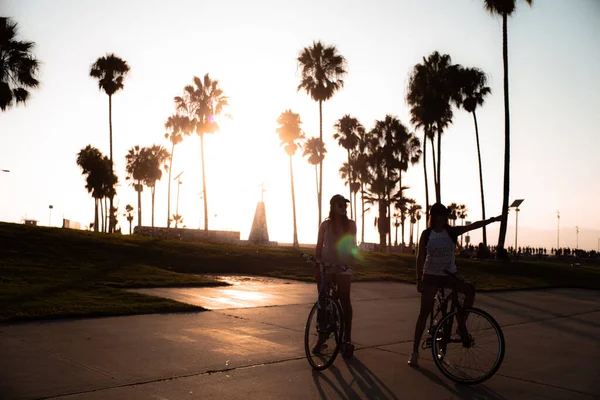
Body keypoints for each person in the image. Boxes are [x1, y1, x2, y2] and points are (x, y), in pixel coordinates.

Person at [408, 203, 502, 366]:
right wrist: (419, 280)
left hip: (449, 275)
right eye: (443, 214)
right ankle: (415, 351)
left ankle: (460, 325)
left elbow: (473, 226)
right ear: (436, 216)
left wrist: (492, 220)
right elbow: (420, 257)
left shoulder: (451, 232)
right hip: (431, 276)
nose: (446, 217)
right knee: (424, 312)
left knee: (469, 290)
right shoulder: (427, 234)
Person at [314, 194, 358, 356]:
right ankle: (322, 337)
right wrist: (317, 263)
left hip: (343, 266)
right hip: (326, 266)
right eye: (340, 205)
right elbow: (319, 245)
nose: (343, 208)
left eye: (345, 205)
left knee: (345, 300)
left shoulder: (350, 225)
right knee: (323, 301)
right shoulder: (325, 225)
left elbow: (352, 244)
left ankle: (347, 338)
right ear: (332, 207)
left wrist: (352, 259)